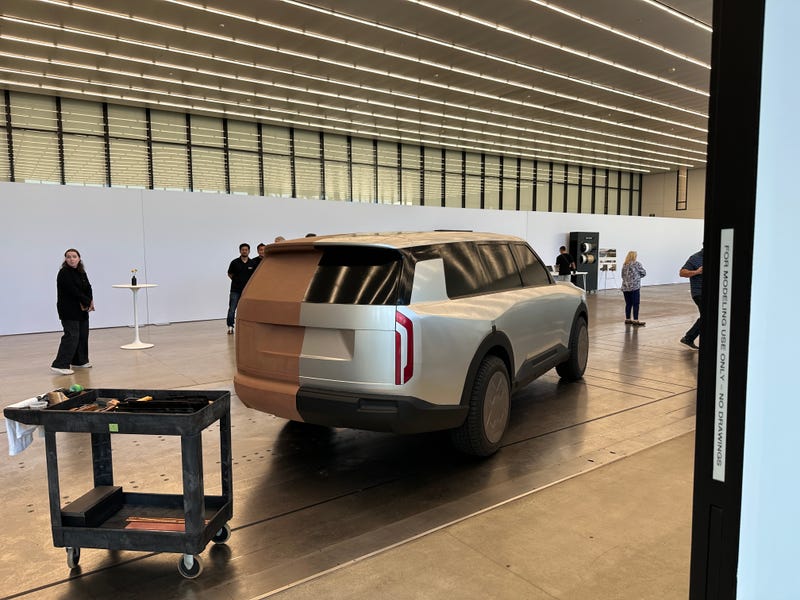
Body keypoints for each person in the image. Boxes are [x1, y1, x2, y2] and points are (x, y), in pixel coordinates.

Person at [51, 248, 94, 375]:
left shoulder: (81, 271)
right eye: (68, 257)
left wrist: (90, 300)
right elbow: (73, 291)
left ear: (79, 258)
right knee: (71, 336)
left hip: (81, 308)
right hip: (69, 310)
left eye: (74, 256)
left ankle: (79, 361)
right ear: (65, 259)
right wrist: (87, 301)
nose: (71, 259)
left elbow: (88, 287)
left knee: (82, 335)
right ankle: (60, 364)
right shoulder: (64, 273)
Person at [226, 243, 256, 334]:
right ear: (240, 251)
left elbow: (254, 276)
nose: (244, 251)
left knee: (248, 309)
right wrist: (236, 281)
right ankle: (230, 327)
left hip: (247, 291)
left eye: (246, 250)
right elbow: (230, 274)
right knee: (232, 309)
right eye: (243, 249)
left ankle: (247, 327)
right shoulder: (234, 262)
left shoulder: (253, 263)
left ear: (249, 251)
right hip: (235, 290)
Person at [679, 247, 703, 349]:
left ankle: (689, 338)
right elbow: (682, 272)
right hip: (699, 293)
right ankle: (688, 338)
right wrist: (697, 272)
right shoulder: (695, 258)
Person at [621, 251, 646, 326]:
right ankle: (635, 320)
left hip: (625, 287)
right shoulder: (636, 264)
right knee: (636, 304)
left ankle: (628, 319)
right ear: (634, 256)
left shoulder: (624, 265)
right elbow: (644, 273)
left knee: (628, 304)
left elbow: (622, 276)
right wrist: (637, 278)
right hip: (634, 287)